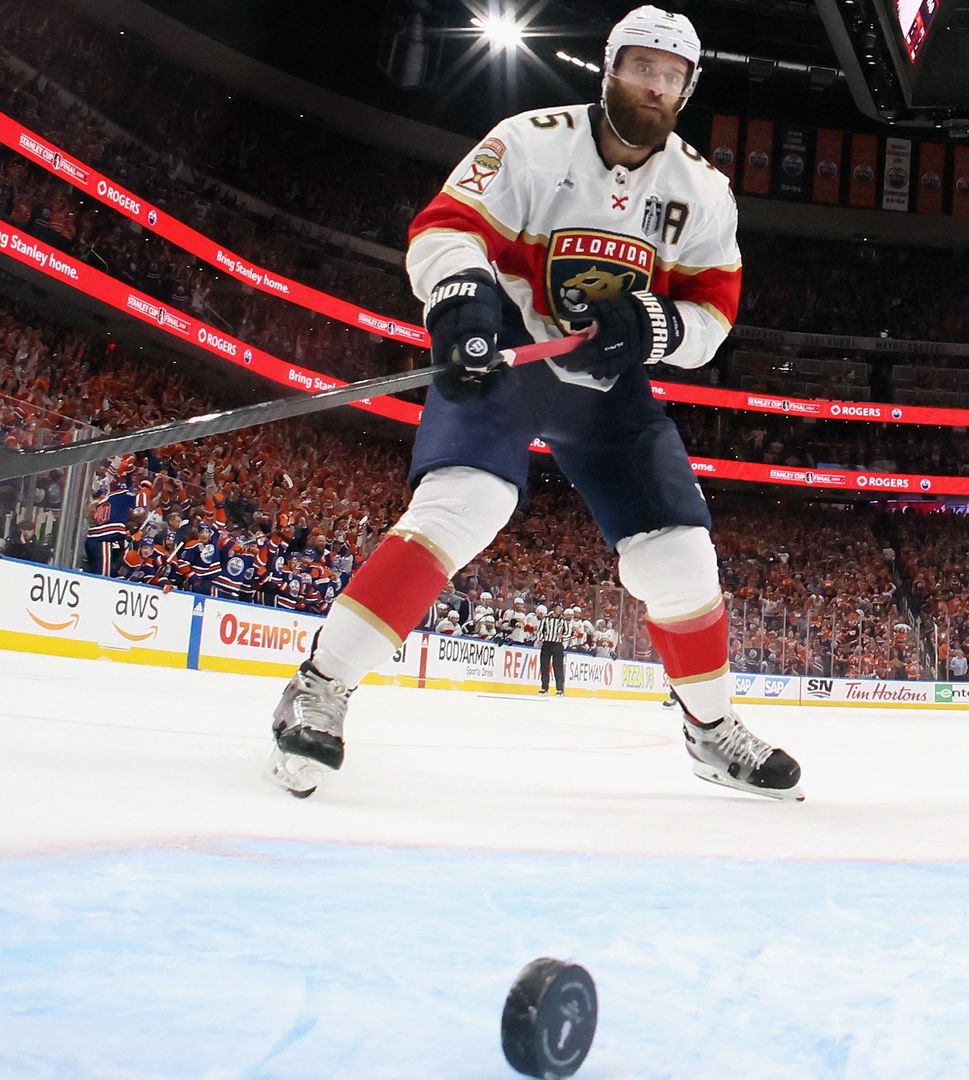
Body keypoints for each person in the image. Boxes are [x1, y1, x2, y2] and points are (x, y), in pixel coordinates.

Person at [265, 5, 801, 801]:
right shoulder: (529, 139)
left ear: (686, 90)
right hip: (510, 355)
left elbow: (713, 318)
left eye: (670, 75)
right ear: (609, 68)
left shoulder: (703, 190)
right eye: (640, 67)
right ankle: (318, 686)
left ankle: (709, 728)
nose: (653, 85)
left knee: (679, 557)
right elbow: (445, 230)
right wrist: (462, 303)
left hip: (606, 383)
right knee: (464, 503)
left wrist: (652, 324)